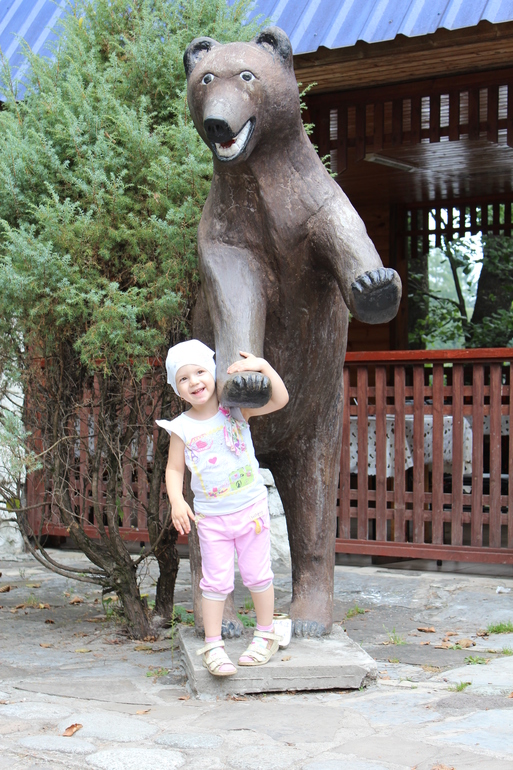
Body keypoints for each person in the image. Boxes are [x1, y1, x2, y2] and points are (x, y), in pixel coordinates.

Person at [156, 340, 289, 677]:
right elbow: (174, 469)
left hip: (250, 510)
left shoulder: (235, 409)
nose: (194, 382)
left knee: (258, 575)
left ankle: (265, 635)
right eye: (183, 379)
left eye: (200, 372)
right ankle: (213, 646)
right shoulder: (181, 427)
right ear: (177, 388)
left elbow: (280, 399)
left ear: (212, 373)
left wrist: (261, 366)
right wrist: (177, 500)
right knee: (214, 583)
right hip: (212, 517)